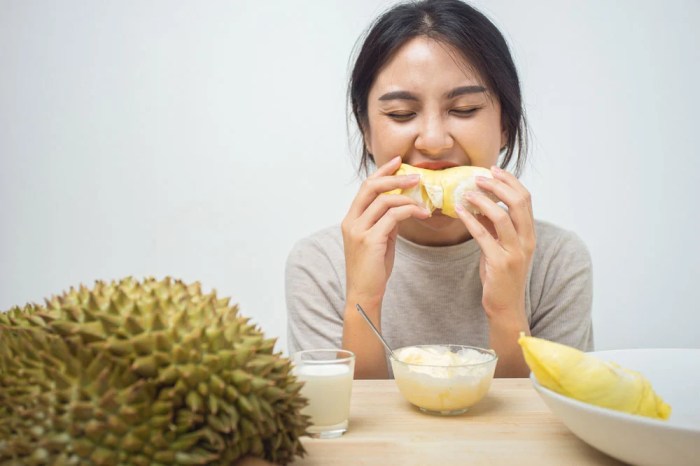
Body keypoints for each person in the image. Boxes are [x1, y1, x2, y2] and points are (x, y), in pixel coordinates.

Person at [286, 0, 593, 379]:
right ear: (365, 132)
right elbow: (341, 424)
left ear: (505, 127)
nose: (433, 141)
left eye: (464, 109)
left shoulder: (556, 262)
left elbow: (545, 428)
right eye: (400, 114)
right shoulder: (320, 265)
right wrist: (362, 301)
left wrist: (508, 311)